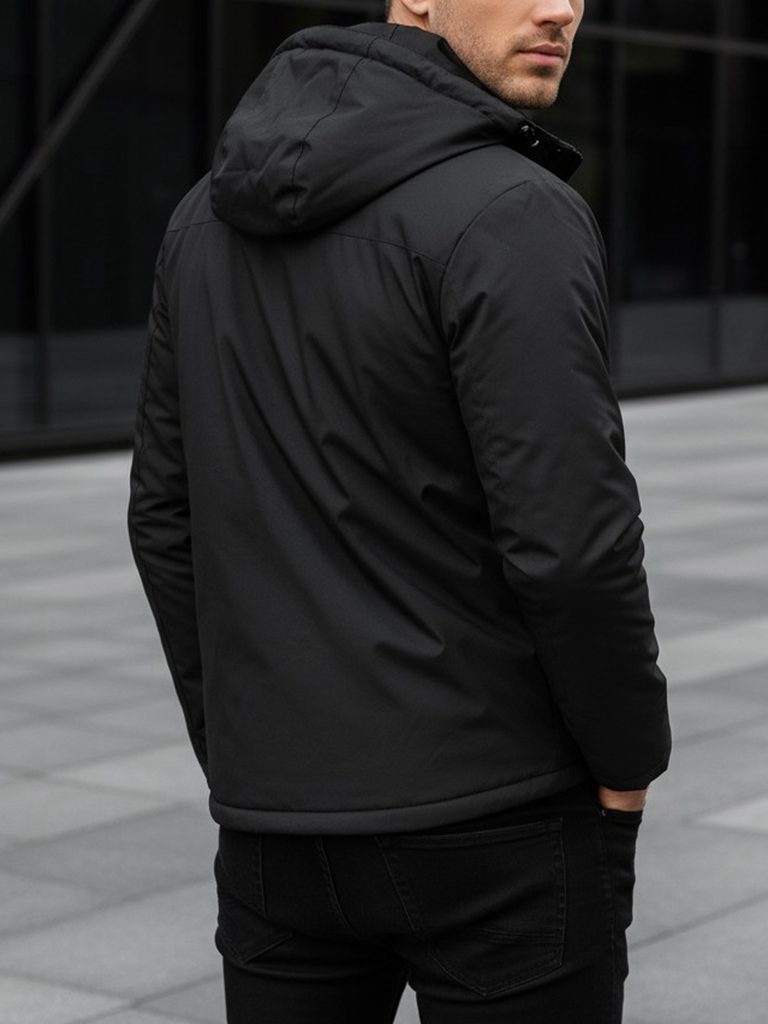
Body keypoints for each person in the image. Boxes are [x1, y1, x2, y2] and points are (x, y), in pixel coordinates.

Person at [127, 0, 673, 1020]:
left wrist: (246, 748)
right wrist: (629, 763)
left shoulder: (203, 216)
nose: (561, 8)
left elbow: (164, 517)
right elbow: (573, 547)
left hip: (278, 831)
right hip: (498, 823)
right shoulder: (515, 208)